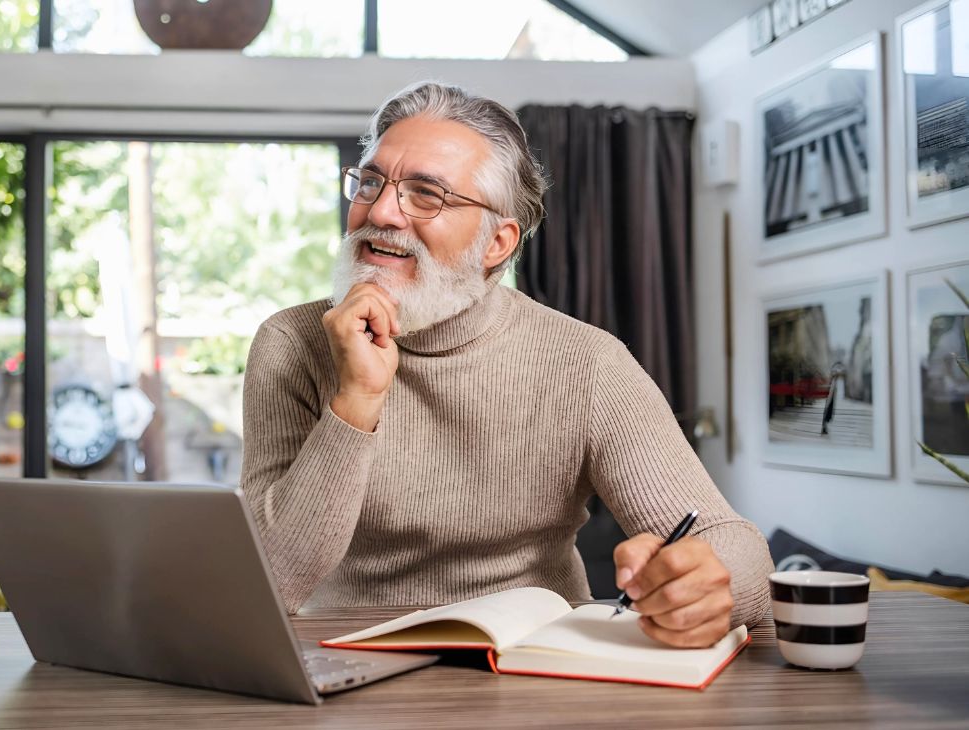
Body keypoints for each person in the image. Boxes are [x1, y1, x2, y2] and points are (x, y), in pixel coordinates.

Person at [240, 81, 772, 648]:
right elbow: (267, 582)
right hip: (345, 656)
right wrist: (357, 401)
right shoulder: (289, 343)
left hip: (535, 660)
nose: (382, 211)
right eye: (371, 182)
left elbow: (738, 550)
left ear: (497, 242)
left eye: (426, 194)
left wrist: (707, 585)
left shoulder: (585, 362)